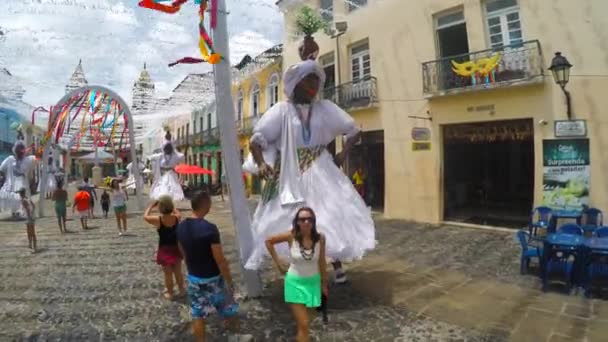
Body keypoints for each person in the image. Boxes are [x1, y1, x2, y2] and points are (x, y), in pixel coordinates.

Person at [245, 59, 376, 284]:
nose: (314, 86)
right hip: (290, 171)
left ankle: (335, 264)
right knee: (293, 218)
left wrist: (343, 154)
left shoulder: (325, 108)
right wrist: (262, 164)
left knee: (331, 214)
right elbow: (256, 141)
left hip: (321, 167)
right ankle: (303, 267)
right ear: (296, 84)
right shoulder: (281, 111)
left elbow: (353, 130)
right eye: (309, 81)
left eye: (316, 81)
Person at [177, 191, 244, 342]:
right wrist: (229, 281)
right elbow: (220, 259)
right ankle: (235, 336)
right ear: (205, 205)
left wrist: (190, 266)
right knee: (228, 306)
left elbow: (182, 251)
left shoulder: (181, 227)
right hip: (213, 278)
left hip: (194, 277)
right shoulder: (209, 228)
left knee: (197, 313)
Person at [265, 207, 328, 341]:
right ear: (297, 222)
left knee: (304, 325)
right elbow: (268, 241)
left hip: (313, 283)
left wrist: (324, 284)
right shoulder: (291, 236)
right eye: (302, 219)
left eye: (309, 219)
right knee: (304, 323)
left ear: (313, 222)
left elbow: (322, 262)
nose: (306, 222)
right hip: (295, 283)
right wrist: (277, 261)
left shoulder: (320, 239)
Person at [144, 195, 185, 300]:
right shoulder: (176, 218)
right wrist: (172, 207)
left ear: (160, 208)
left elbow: (145, 216)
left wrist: (151, 206)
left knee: (168, 274)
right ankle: (182, 290)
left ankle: (170, 292)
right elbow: (178, 213)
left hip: (164, 250)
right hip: (176, 248)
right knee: (178, 272)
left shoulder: (159, 220)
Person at [0, 129, 37, 218]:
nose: (19, 152)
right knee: (12, 198)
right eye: (17, 150)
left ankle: (25, 213)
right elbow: (1, 169)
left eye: (21, 150)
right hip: (11, 185)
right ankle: (15, 212)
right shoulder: (10, 159)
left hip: (22, 185)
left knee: (23, 199)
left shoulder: (27, 160)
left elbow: (37, 158)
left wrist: (40, 147)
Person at [149, 130, 185, 201]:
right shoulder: (160, 156)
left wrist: (182, 176)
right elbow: (152, 157)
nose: (167, 149)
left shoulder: (175, 156)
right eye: (166, 148)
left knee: (172, 189)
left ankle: (169, 203)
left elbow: (181, 158)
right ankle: (164, 201)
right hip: (162, 175)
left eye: (169, 148)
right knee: (163, 188)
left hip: (171, 174)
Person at [19, 188, 37, 253]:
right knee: (31, 232)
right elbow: (34, 206)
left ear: (21, 193)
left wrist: (29, 216)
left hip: (29, 218)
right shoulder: (28, 198)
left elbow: (27, 209)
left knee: (31, 233)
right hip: (31, 217)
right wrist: (33, 214)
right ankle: (31, 245)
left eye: (20, 193)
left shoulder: (23, 200)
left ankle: (33, 247)